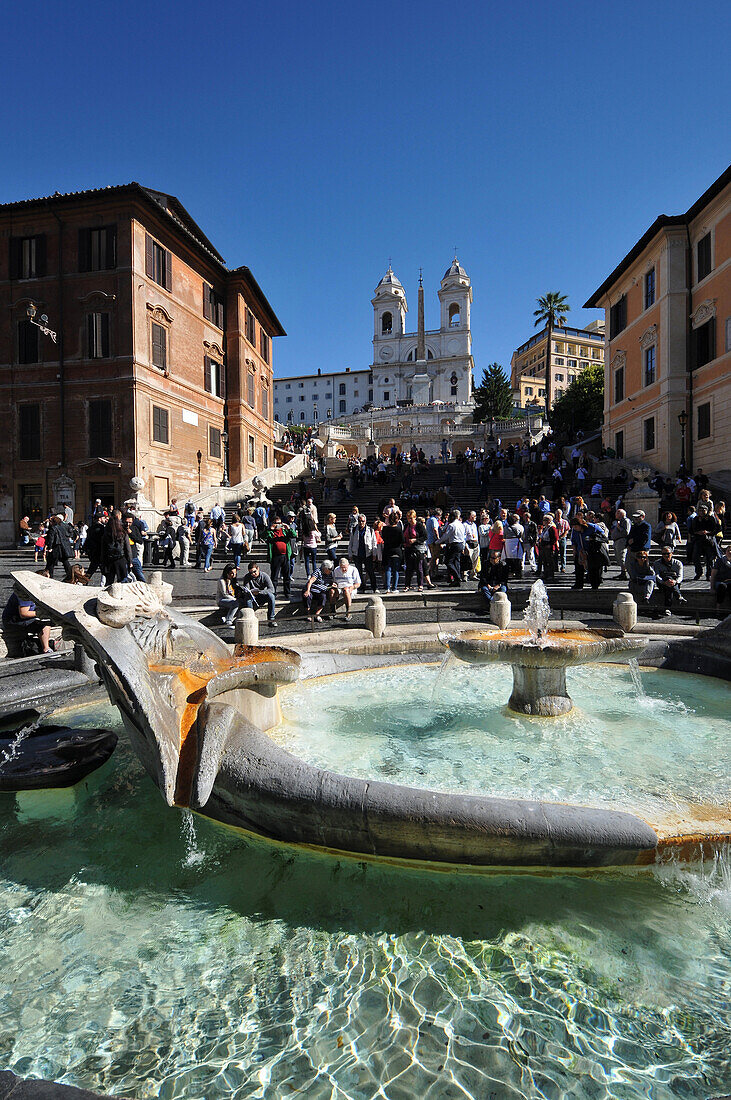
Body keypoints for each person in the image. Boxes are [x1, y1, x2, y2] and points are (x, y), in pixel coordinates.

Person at [2, 578, 53, 655]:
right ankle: (46, 649)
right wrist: (41, 613)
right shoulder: (25, 594)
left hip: (20, 619)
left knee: (47, 621)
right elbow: (24, 613)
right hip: (13, 621)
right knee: (45, 624)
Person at [264, 516, 294, 598]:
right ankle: (273, 592)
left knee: (287, 576)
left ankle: (287, 592)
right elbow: (263, 536)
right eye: (276, 523)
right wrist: (270, 529)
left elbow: (294, 535)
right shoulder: (271, 532)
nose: (278, 525)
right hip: (275, 556)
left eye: (280, 523)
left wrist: (288, 528)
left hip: (285, 556)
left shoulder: (284, 531)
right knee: (274, 576)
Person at [239, 562, 277, 627]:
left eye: (254, 571)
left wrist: (260, 592)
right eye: (251, 573)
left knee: (271, 596)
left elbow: (271, 589)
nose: (253, 574)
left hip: (262, 594)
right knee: (248, 600)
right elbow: (246, 589)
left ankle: (271, 619)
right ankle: (250, 619)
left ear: (258, 569)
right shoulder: (247, 577)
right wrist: (249, 591)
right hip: (252, 596)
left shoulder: (264, 576)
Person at [348, 513, 378, 593]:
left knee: (370, 571)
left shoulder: (370, 530)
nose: (361, 523)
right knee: (358, 572)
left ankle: (374, 587)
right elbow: (351, 542)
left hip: (367, 553)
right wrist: (350, 554)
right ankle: (361, 587)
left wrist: (374, 554)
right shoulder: (354, 530)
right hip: (357, 553)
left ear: (365, 521)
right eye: (360, 521)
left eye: (363, 521)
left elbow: (374, 542)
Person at [101, 510, 133, 584]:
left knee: (109, 581)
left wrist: (103, 562)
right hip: (120, 558)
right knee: (123, 581)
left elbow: (103, 550)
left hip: (109, 559)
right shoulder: (123, 533)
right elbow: (128, 549)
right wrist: (130, 561)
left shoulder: (106, 534)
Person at [654, 546, 686, 616]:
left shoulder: (678, 563)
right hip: (662, 583)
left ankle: (667, 608)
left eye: (667, 553)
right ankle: (679, 596)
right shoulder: (657, 563)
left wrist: (675, 581)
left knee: (669, 586)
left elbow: (680, 576)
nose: (665, 556)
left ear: (672, 553)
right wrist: (663, 582)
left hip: (675, 583)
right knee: (668, 580)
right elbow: (657, 575)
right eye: (663, 554)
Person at [439, 509, 466, 587]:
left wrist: (438, 541)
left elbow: (446, 536)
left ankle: (457, 577)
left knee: (448, 562)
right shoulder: (461, 524)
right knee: (456, 561)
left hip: (454, 544)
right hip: (460, 544)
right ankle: (457, 581)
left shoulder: (452, 525)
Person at [45, 514, 74, 579]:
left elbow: (51, 539)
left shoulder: (53, 528)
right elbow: (69, 533)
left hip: (56, 547)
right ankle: (70, 575)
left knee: (51, 562)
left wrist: (50, 547)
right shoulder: (63, 526)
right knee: (65, 561)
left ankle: (49, 576)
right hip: (63, 546)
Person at [381, 511, 404, 593]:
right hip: (397, 550)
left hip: (387, 550)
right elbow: (402, 540)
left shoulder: (385, 529)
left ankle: (387, 587)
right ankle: (394, 588)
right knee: (395, 570)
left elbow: (383, 538)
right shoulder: (399, 529)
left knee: (388, 569)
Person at [610, 508, 631, 579]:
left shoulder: (626, 521)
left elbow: (626, 532)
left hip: (621, 541)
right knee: (618, 557)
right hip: (616, 541)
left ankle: (624, 573)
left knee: (622, 557)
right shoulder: (619, 521)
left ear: (621, 514)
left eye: (617, 513)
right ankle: (622, 572)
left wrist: (619, 527)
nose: (615, 514)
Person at [536, 514, 558, 582]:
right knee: (545, 561)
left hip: (549, 547)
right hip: (543, 546)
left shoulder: (552, 528)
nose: (543, 521)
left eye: (545, 520)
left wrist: (551, 544)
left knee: (550, 562)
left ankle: (550, 575)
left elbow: (555, 538)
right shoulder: (546, 528)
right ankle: (546, 574)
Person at [710, 543, 731, 608]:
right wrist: (712, 588)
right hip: (721, 581)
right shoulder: (720, 561)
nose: (730, 552)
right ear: (725, 552)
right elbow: (713, 575)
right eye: (728, 550)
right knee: (722, 587)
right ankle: (718, 607)